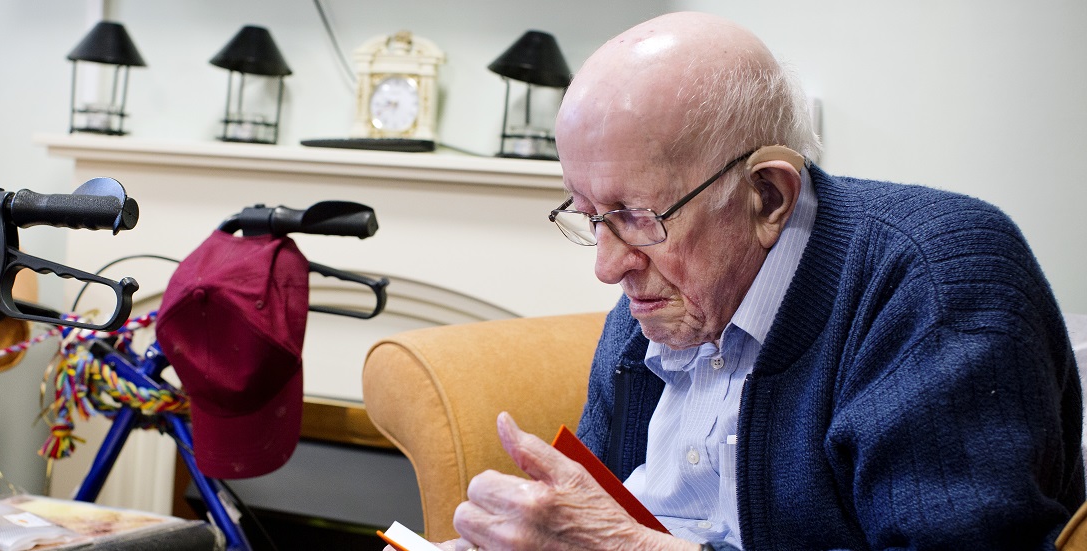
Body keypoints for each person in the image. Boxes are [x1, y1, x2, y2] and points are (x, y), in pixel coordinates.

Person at [390, 11, 1085, 551]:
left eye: (636, 215)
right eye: (589, 214)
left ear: (769, 197)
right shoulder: (651, 310)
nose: (607, 266)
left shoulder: (935, 280)